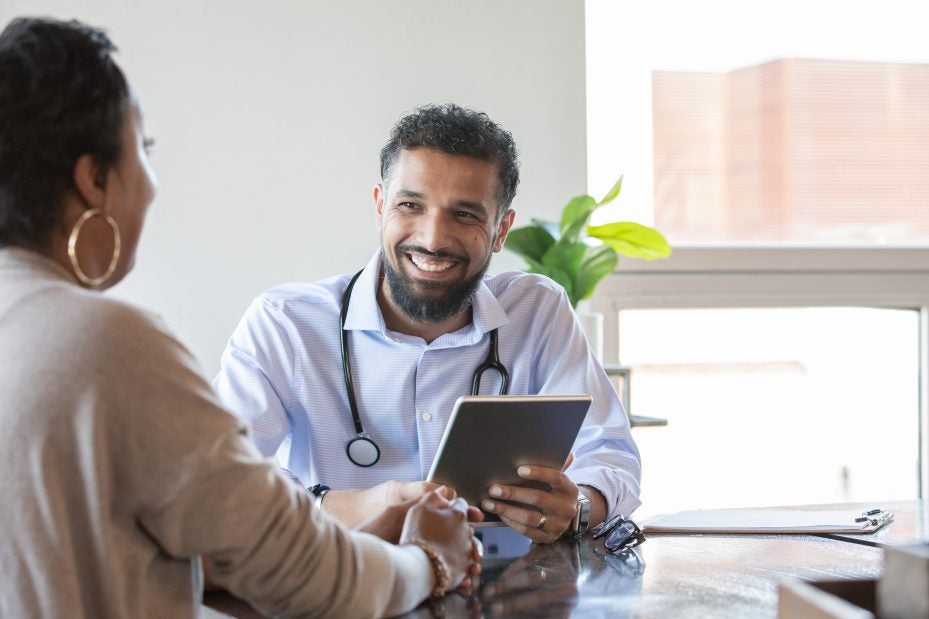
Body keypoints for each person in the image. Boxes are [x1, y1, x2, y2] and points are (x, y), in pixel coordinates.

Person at [0, 17, 480, 618]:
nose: (150, 184)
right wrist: (431, 558)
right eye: (143, 150)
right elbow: (310, 577)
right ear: (93, 179)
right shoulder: (109, 343)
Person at [213, 104, 642, 543]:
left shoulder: (537, 312)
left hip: (506, 588)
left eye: (466, 214)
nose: (433, 239)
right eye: (410, 205)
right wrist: (338, 505)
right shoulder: (286, 324)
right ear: (381, 207)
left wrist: (581, 504)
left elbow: (611, 454)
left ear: (501, 229)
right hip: (344, 585)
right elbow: (220, 478)